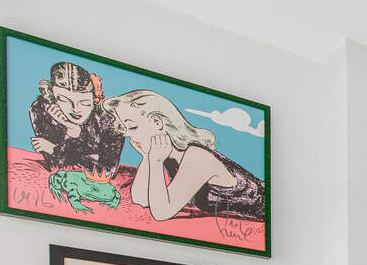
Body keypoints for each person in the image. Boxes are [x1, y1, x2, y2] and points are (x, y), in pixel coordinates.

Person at [105, 89, 264, 222]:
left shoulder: (197, 157)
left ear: (157, 122)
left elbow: (162, 213)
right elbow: (140, 200)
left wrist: (155, 161)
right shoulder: (167, 155)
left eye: (132, 127)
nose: (127, 135)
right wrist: (148, 158)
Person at [28, 62, 124, 176]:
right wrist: (71, 134)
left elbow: (105, 171)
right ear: (52, 96)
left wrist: (55, 149)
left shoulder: (109, 119)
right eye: (65, 100)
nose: (75, 109)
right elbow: (56, 167)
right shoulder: (40, 109)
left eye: (85, 103)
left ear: (94, 100)